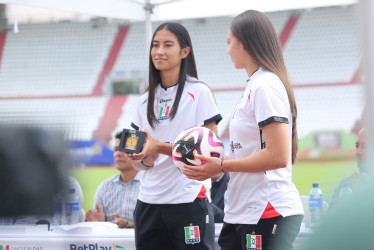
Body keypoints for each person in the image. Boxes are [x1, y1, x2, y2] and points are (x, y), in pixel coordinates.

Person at [183, 10, 304, 250]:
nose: (227, 50)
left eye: (230, 42)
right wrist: (214, 163)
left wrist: (221, 165)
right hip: (244, 211)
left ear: (245, 43)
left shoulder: (265, 86)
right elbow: (249, 152)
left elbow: (277, 156)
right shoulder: (256, 85)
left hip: (267, 209)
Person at [128, 22, 222, 250]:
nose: (159, 51)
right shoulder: (144, 99)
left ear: (184, 51)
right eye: (155, 45)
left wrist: (158, 147)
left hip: (188, 200)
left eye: (167, 45)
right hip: (148, 203)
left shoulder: (199, 92)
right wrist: (142, 158)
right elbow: (135, 154)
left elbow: (211, 153)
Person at [85, 131, 142, 228]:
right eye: (116, 149)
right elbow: (99, 223)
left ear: (138, 153)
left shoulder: (148, 185)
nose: (118, 153)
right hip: (109, 243)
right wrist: (100, 222)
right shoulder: (105, 186)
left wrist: (129, 225)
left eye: (124, 150)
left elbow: (157, 224)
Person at [329, 127, 369, 209]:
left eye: (365, 146)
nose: (358, 151)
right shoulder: (345, 186)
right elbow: (334, 219)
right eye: (357, 146)